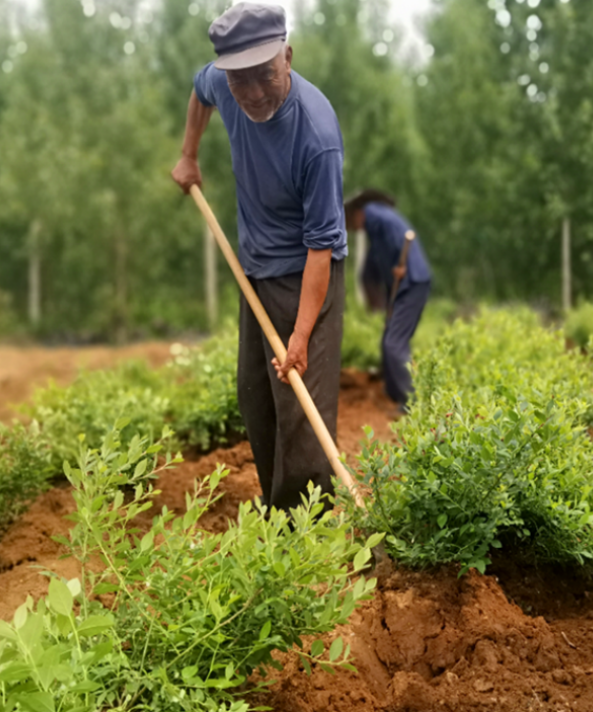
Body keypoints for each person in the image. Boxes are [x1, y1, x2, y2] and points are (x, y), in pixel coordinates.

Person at [171, 3, 347, 514]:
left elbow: (320, 248)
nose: (250, 93)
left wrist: (300, 335)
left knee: (301, 413)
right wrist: (189, 153)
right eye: (239, 80)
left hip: (305, 276)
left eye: (264, 76)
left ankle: (307, 539)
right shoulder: (223, 86)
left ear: (287, 58)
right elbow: (200, 91)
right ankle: (278, 517)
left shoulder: (316, 137)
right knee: (256, 396)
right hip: (256, 270)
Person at [344, 189, 432, 409]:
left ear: (356, 212)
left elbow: (401, 235)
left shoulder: (373, 213)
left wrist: (401, 264)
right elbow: (371, 268)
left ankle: (410, 402)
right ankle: (392, 392)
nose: (350, 227)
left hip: (412, 282)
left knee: (394, 343)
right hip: (406, 285)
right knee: (388, 339)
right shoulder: (374, 230)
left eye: (348, 219)